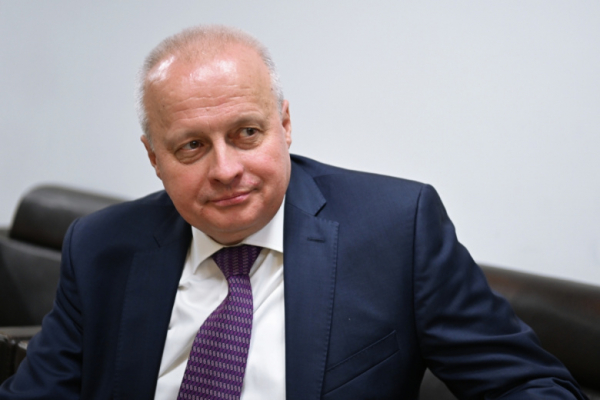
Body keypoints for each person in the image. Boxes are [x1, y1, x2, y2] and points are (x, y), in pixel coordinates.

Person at [0, 25, 588, 400]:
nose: (226, 169)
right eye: (192, 146)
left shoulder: (397, 229)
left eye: (247, 133)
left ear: (284, 124)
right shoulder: (101, 246)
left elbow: (530, 385)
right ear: (155, 159)